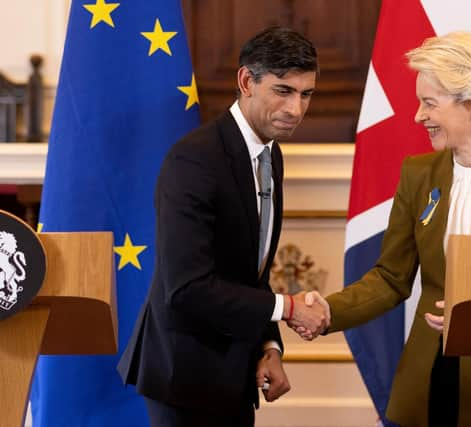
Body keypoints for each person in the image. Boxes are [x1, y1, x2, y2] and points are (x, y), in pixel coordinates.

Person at [294, 31, 471, 427]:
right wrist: (328, 311)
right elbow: (391, 278)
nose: (418, 116)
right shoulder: (419, 174)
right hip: (431, 376)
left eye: (429, 103)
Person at [117, 26, 329, 427]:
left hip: (234, 371)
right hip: (184, 377)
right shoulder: (194, 161)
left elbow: (252, 272)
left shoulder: (271, 155)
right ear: (246, 81)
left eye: (306, 94)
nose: (296, 109)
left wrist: (269, 346)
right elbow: (187, 287)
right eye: (283, 91)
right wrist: (290, 309)